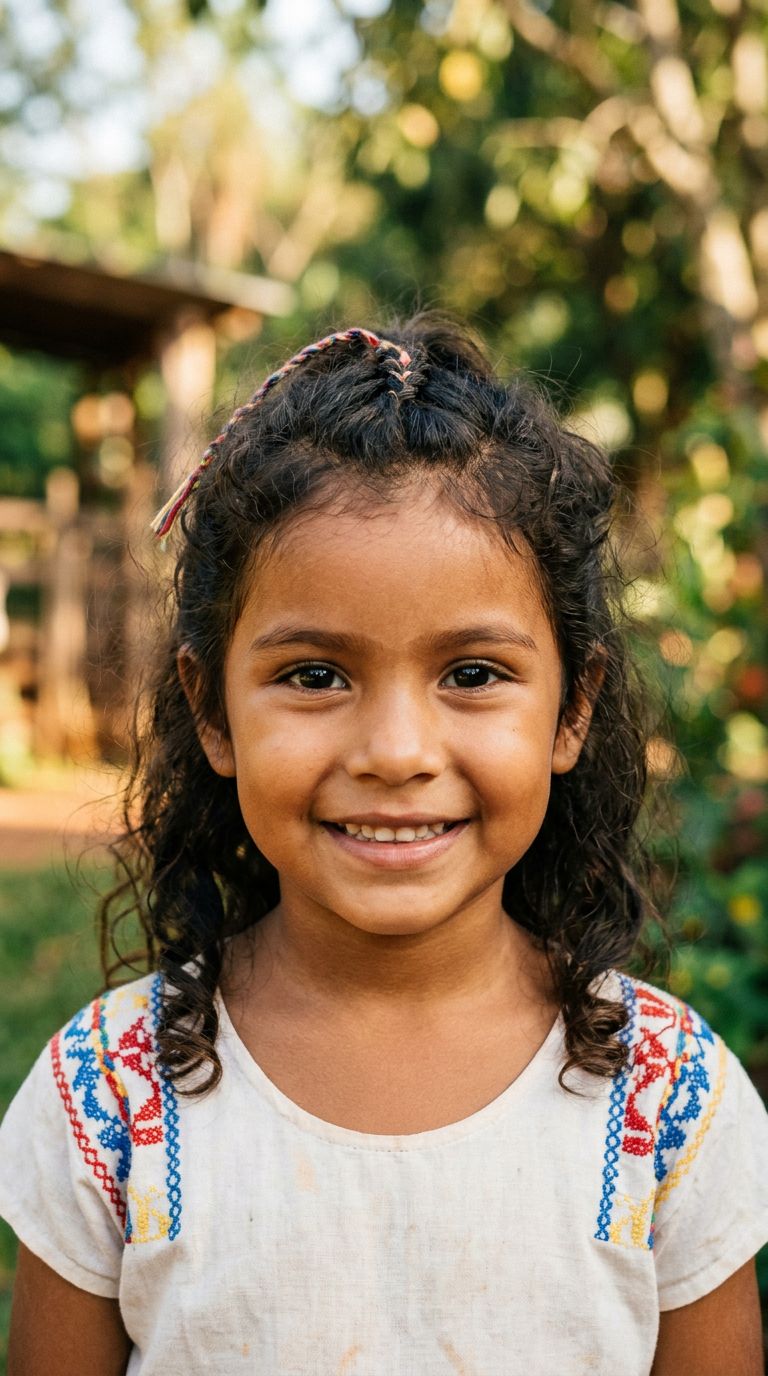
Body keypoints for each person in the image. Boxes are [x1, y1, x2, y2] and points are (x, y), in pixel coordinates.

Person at [1, 316, 767, 1376]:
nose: (398, 751)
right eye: (315, 674)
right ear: (211, 709)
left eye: (473, 673)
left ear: (571, 709)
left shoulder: (670, 1099)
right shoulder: (112, 1094)